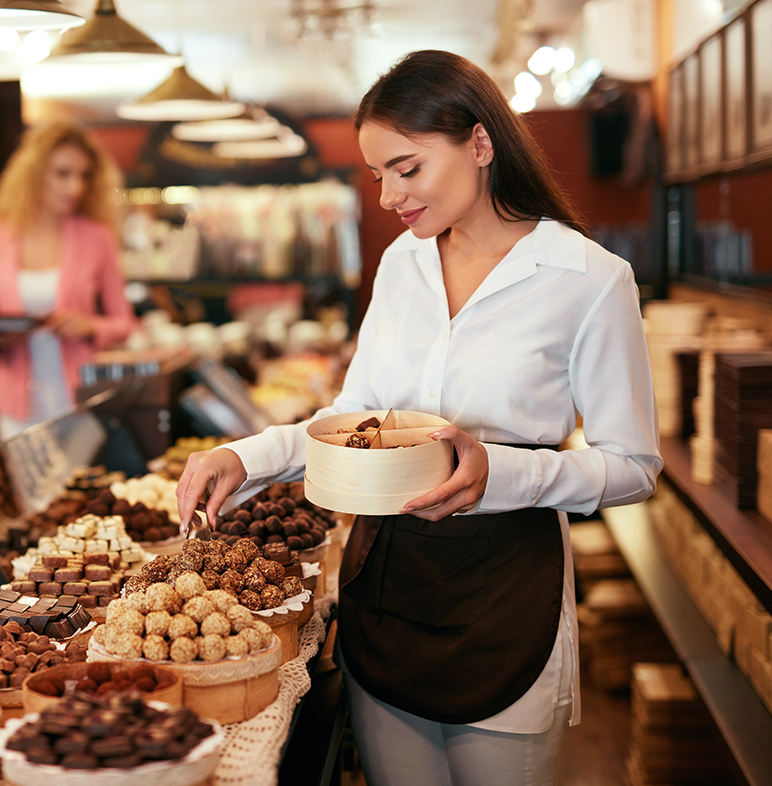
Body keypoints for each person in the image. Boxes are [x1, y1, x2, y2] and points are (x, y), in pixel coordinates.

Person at [175, 50, 661, 786]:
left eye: (407, 168)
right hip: (386, 583)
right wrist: (249, 457)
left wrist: (495, 469)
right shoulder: (403, 263)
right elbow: (354, 416)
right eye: (377, 176)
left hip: (505, 593)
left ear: (479, 143)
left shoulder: (589, 280)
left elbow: (632, 467)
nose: (388, 196)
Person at [0, 119, 138, 440]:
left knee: (80, 489)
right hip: (15, 402)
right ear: (34, 174)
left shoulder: (95, 237)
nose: (75, 187)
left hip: (79, 401)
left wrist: (88, 326)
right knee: (31, 491)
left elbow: (124, 323)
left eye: (84, 176)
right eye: (63, 174)